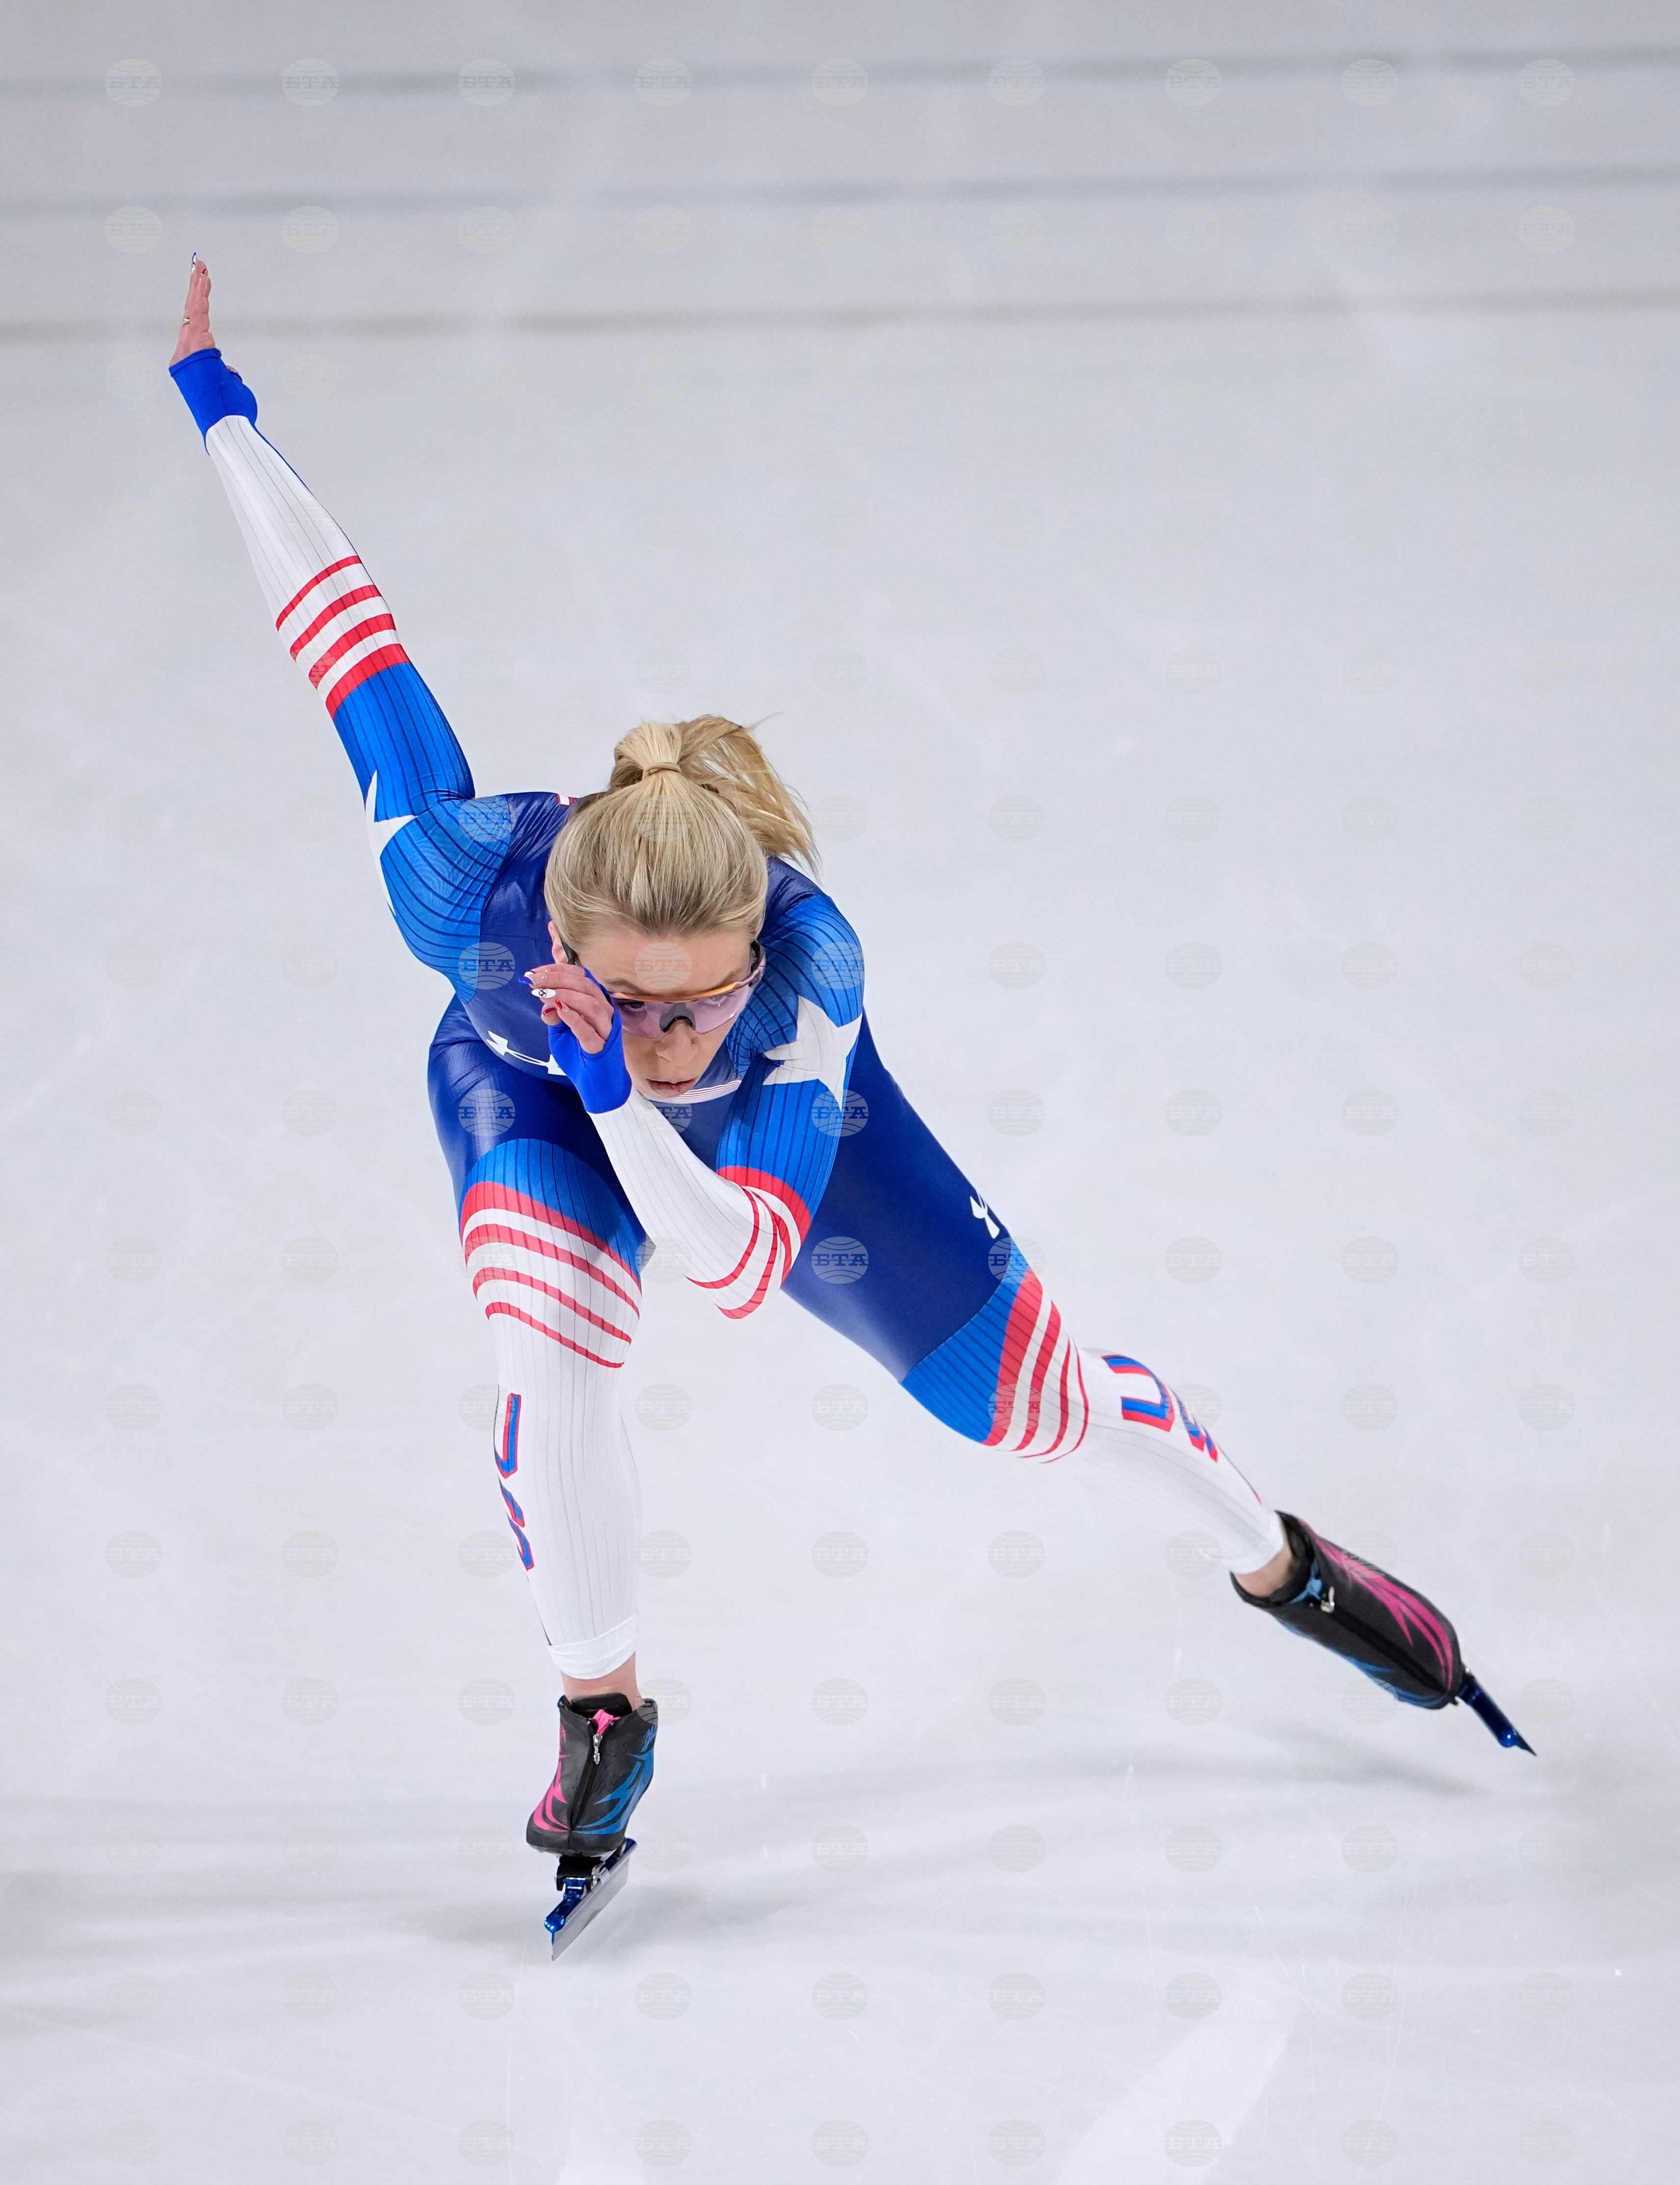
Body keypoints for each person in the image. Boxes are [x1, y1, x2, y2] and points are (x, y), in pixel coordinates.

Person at [165, 258, 1529, 1893]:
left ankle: (1283, 1562)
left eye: (699, 1003)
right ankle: (604, 1718)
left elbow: (736, 1264)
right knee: (548, 1342)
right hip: (527, 1087)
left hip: (764, 1161)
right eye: (633, 998)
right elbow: (348, 646)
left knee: (1036, 1414)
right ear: (565, 941)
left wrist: (626, 1083)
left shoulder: (814, 982)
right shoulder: (462, 887)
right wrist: (219, 408)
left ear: (755, 957)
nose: (670, 1030)